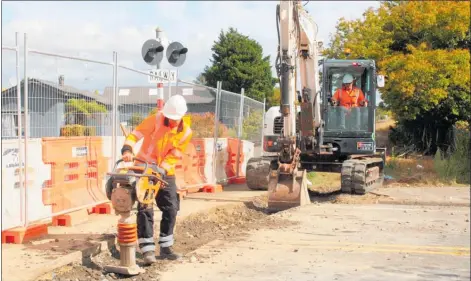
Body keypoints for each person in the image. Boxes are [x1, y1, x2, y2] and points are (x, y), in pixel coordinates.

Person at [111, 94, 193, 265]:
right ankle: (147, 249)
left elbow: (175, 155)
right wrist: (127, 150)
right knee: (145, 208)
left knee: (171, 208)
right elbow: (134, 135)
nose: (171, 122)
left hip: (164, 171)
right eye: (169, 118)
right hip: (144, 168)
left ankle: (166, 246)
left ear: (181, 117)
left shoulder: (186, 132)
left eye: (175, 119)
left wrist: (161, 169)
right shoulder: (155, 119)